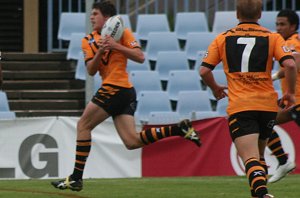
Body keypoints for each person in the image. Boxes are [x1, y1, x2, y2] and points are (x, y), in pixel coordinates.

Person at [51, 0, 200, 192]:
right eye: (91, 14)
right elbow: (90, 70)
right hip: (121, 91)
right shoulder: (87, 40)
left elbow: (140, 57)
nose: (91, 17)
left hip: (117, 87)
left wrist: (115, 45)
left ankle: (76, 178)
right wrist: (101, 51)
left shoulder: (122, 33)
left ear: (107, 18)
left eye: (95, 14)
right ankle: (179, 130)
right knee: (132, 142)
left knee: (83, 125)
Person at [199, 0, 297, 197]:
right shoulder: (273, 37)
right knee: (259, 157)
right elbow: (291, 65)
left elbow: (204, 71)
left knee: (250, 158)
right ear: (260, 14)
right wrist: (290, 93)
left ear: (237, 14)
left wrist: (216, 88)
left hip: (241, 105)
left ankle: (262, 194)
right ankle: (261, 191)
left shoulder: (223, 38)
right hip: (267, 105)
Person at [266, 9, 300, 183]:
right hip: (292, 101)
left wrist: (273, 76)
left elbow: (294, 62)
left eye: (282, 24)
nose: (278, 28)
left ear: (293, 26)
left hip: (298, 99)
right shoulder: (285, 42)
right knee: (264, 122)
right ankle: (284, 162)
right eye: (277, 24)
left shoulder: (293, 41)